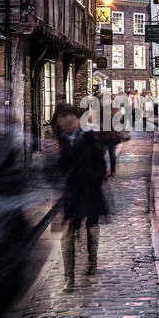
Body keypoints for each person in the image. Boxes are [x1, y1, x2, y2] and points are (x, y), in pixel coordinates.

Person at [54, 102, 109, 290]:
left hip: (90, 188)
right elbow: (61, 166)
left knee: (92, 225)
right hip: (73, 191)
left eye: (70, 116)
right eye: (63, 117)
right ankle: (69, 277)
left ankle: (92, 262)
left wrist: (95, 179)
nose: (67, 120)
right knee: (69, 232)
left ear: (76, 118)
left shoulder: (87, 135)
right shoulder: (62, 139)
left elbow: (100, 161)